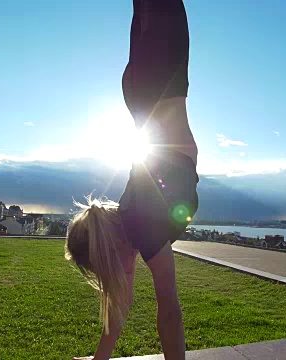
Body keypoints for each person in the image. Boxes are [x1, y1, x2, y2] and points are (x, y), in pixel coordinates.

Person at [66, 1, 198, 359]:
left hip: (158, 80)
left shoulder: (141, 226)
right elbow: (118, 306)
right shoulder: (130, 217)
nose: (121, 273)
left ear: (108, 252)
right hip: (141, 93)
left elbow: (169, 310)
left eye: (109, 268)